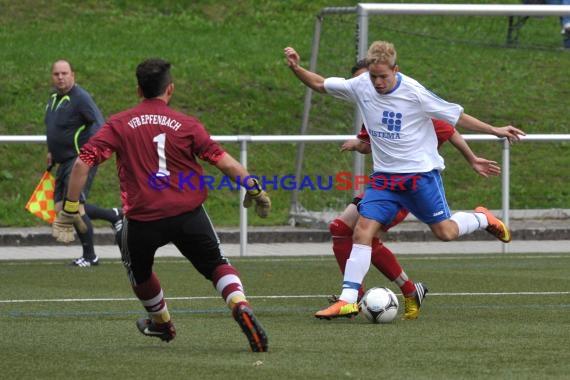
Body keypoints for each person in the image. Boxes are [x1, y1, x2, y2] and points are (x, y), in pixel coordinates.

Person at [284, 41, 526, 320]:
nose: (377, 82)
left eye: (383, 76)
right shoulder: (362, 85)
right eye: (373, 76)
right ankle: (348, 299)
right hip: (384, 180)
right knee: (362, 230)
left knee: (445, 232)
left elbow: (455, 118)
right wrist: (296, 68)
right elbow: (320, 83)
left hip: (420, 177)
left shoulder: (414, 92)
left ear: (395, 70)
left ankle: (484, 218)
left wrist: (494, 130)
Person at [51, 58, 270, 352]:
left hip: (142, 219)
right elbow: (225, 162)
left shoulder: (119, 123)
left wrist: (69, 208)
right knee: (217, 265)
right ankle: (239, 303)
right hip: (188, 214)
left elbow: (82, 163)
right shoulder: (187, 124)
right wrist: (254, 190)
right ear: (170, 89)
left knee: (139, 273)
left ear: (138, 90)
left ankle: (161, 322)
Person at [328, 60, 502, 320]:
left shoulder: (411, 99)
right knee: (343, 229)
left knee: (435, 232)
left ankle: (391, 292)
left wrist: (473, 158)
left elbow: (449, 129)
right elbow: (369, 143)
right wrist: (358, 143)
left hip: (411, 186)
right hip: (384, 182)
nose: (371, 84)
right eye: (365, 80)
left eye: (375, 77)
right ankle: (355, 296)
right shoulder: (372, 103)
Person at [45, 59, 122, 268]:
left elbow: (98, 125)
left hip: (79, 159)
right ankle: (113, 215)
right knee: (62, 207)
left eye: (64, 73)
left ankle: (90, 256)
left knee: (75, 206)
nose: (60, 77)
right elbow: (54, 128)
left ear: (73, 75)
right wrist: (52, 151)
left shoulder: (81, 98)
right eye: (56, 74)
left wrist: (89, 153)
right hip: (63, 160)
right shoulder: (53, 98)